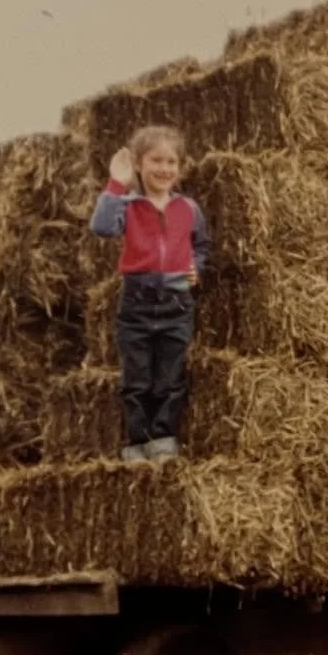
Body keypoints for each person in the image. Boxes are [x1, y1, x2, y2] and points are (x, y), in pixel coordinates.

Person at [90, 125, 211, 463]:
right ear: (140, 165)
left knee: (170, 377)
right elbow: (101, 227)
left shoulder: (188, 209)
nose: (164, 168)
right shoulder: (127, 207)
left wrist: (195, 267)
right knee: (137, 377)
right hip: (137, 301)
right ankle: (137, 441)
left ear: (180, 167)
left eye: (171, 161)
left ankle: (162, 438)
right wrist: (116, 183)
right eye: (155, 160)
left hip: (176, 302)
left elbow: (201, 245)